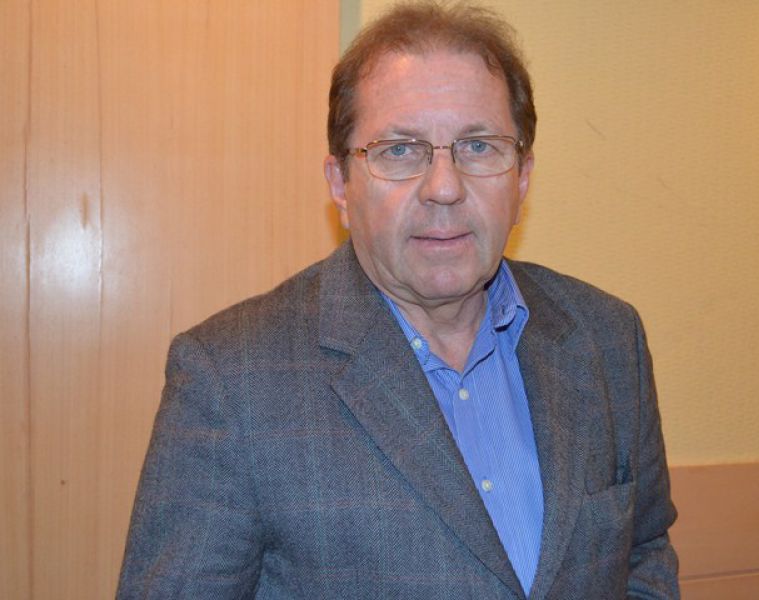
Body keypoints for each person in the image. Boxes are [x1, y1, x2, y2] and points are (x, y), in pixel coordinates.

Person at [117, 3, 679, 599]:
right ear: (340, 183)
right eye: (401, 150)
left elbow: (643, 557)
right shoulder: (230, 380)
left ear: (522, 177)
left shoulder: (608, 339)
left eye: (478, 146)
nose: (444, 188)